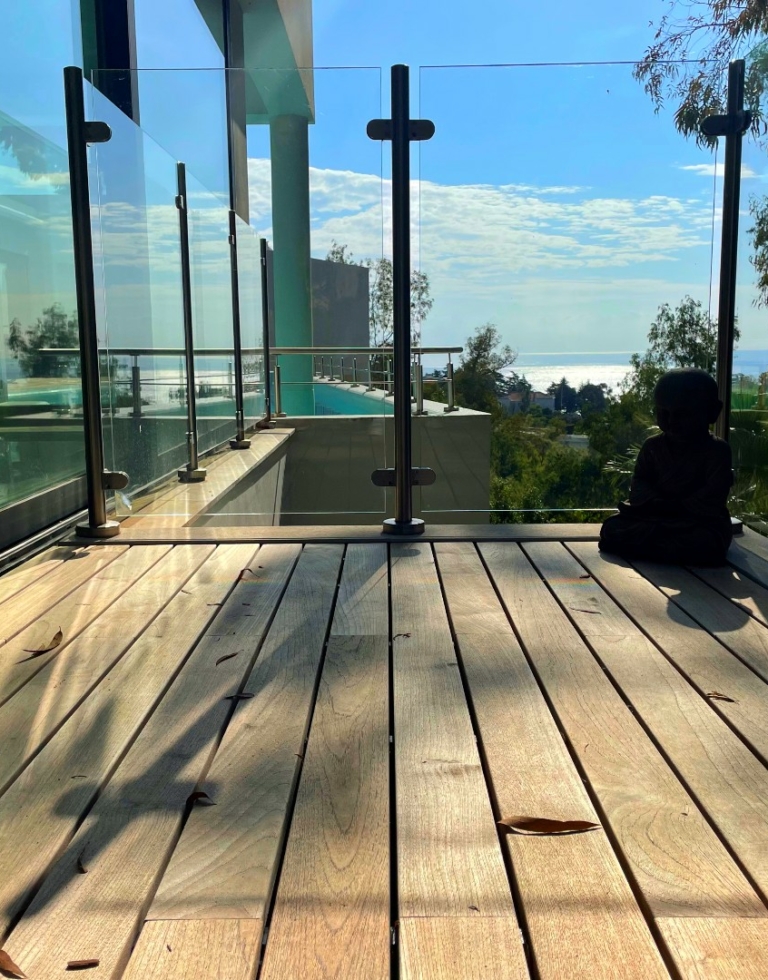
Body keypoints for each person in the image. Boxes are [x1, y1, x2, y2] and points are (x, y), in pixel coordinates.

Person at [599, 368, 733, 566]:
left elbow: (714, 495)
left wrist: (679, 507)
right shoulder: (653, 446)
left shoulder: (716, 450)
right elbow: (640, 482)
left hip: (695, 521)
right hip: (654, 517)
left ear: (713, 412)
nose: (671, 421)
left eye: (682, 414)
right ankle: (662, 548)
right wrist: (655, 502)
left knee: (704, 541)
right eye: (664, 413)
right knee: (612, 528)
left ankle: (655, 548)